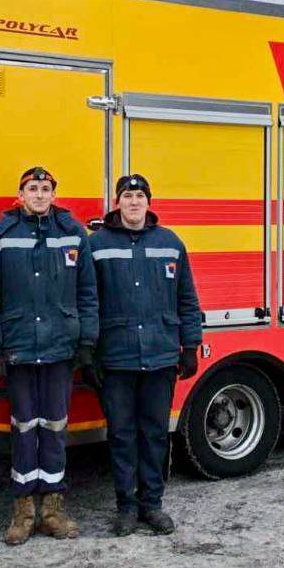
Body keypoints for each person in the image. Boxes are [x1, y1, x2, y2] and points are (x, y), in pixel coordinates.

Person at [0, 167, 98, 545]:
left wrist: (87, 341)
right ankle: (23, 509)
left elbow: (88, 293)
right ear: (21, 193)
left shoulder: (74, 234)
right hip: (19, 349)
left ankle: (53, 508)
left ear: (53, 194)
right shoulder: (0, 237)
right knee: (24, 428)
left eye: (46, 188)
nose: (40, 194)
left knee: (55, 427)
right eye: (33, 188)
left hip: (60, 348)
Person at [87, 174, 202, 536]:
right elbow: (86, 302)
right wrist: (87, 353)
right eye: (127, 195)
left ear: (148, 202)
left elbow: (187, 299)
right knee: (121, 434)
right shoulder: (96, 244)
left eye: (139, 196)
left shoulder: (171, 243)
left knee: (154, 434)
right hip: (115, 358)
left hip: (160, 357)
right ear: (117, 202)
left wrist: (189, 347)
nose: (134, 202)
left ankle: (152, 506)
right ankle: (126, 507)